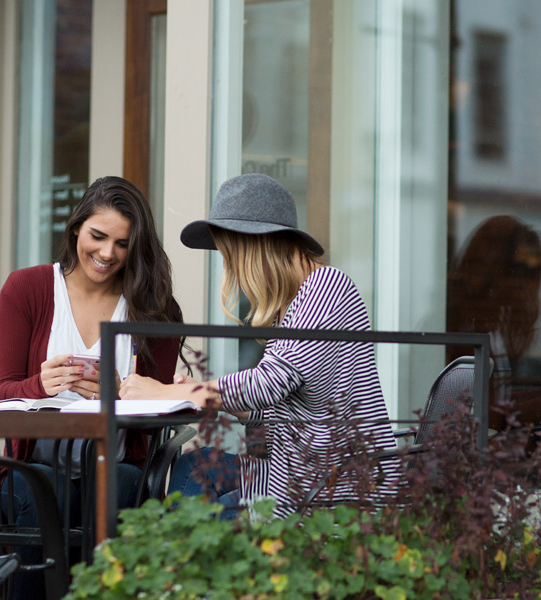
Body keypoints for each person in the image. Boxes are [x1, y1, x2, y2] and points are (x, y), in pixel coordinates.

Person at [120, 173, 401, 518]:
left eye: (230, 254)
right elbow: (280, 406)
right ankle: (183, 545)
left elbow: (267, 385)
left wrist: (170, 393)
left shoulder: (327, 285)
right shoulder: (295, 303)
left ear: (254, 246)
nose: (229, 267)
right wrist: (198, 393)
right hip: (297, 475)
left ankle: (183, 546)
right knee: (197, 465)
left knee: (198, 521)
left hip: (330, 491)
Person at [0, 176, 185, 598]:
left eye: (123, 243)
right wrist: (39, 385)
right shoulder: (27, 289)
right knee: (40, 488)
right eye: (98, 236)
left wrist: (124, 390)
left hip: (117, 462)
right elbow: (3, 391)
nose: (108, 253)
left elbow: (163, 412)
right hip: (36, 464)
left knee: (115, 483)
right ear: (76, 228)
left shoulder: (156, 308)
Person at [447, 215, 541, 440]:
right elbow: (484, 417)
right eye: (522, 270)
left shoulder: (493, 328)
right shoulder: (468, 331)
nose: (530, 285)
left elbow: (499, 400)